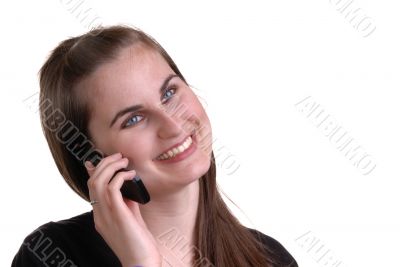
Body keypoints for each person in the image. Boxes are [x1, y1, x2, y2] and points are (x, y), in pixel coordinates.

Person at [11, 25, 298, 267]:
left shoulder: (269, 258)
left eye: (170, 92)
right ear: (94, 158)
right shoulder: (49, 254)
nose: (172, 126)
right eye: (134, 118)